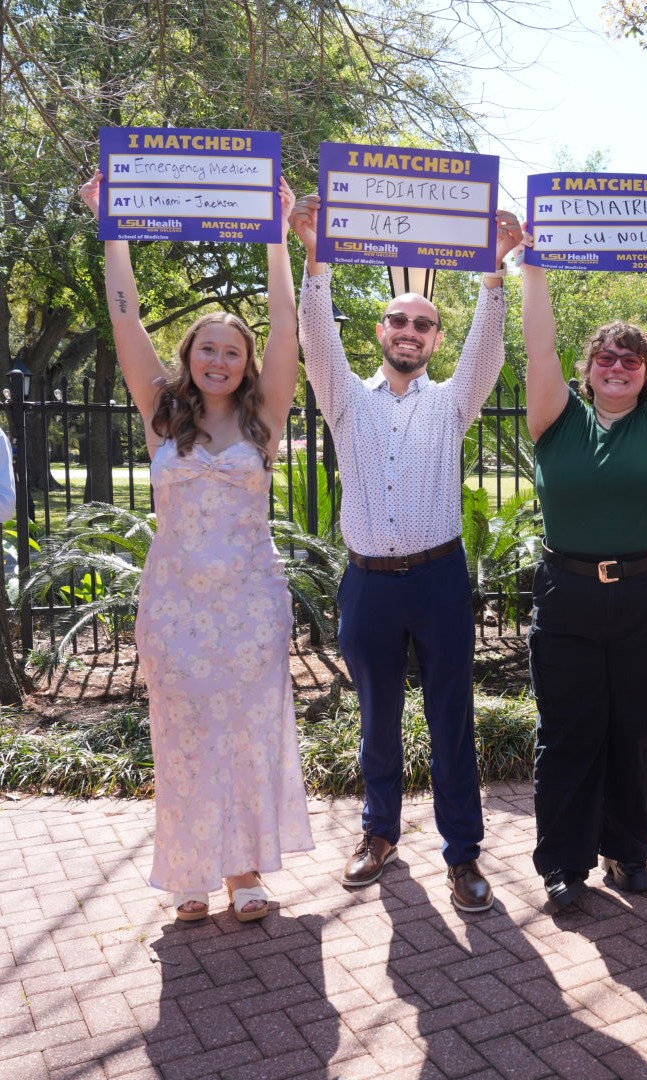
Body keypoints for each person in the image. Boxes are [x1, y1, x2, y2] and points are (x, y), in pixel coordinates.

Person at [80, 170, 312, 923]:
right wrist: (112, 225)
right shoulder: (162, 414)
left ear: (246, 366)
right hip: (176, 603)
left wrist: (276, 235)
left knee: (246, 731)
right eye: (207, 349)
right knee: (181, 735)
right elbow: (124, 320)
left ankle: (245, 872)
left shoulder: (263, 420)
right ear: (189, 356)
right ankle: (189, 873)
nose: (220, 360)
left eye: (232, 353)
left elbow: (285, 327)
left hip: (249, 603)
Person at [289, 194, 521, 913]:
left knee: (451, 718)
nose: (410, 330)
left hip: (440, 580)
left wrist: (492, 275)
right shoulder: (342, 399)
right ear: (380, 331)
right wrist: (315, 255)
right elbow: (312, 334)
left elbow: (489, 347)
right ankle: (378, 835)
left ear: (436, 338)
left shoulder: (453, 402)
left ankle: (463, 855)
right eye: (399, 320)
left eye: (424, 323)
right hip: (368, 586)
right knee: (376, 719)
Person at [519, 229, 647, 912]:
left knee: (639, 730)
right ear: (587, 365)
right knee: (567, 733)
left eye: (630, 359)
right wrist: (532, 271)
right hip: (566, 594)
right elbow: (538, 348)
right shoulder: (556, 417)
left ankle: (627, 850)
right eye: (605, 357)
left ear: (645, 372)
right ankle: (563, 863)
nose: (617, 365)